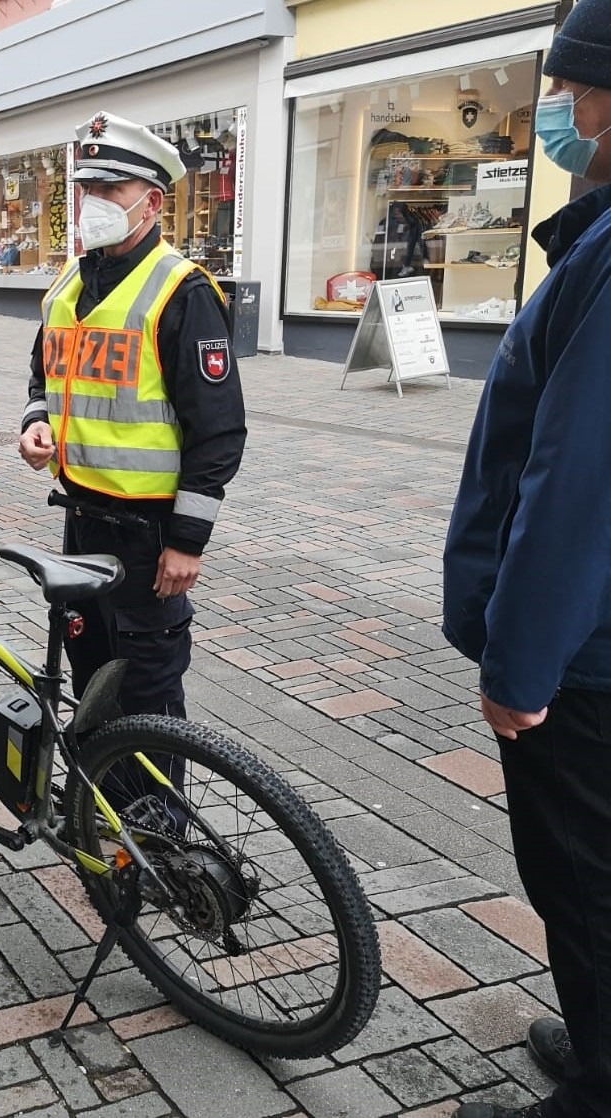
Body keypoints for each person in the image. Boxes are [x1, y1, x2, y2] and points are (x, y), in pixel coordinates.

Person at [442, 4, 611, 1116]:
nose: (560, 108)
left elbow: (579, 487)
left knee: (584, 880)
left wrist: (518, 666)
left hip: (584, 665)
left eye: (575, 88)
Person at [19, 110, 247, 730]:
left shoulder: (182, 291)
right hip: (80, 518)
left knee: (146, 688)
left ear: (150, 204)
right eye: (87, 188)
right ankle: (102, 809)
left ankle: (156, 821)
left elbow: (219, 429)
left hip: (149, 537)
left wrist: (186, 542)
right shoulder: (70, 280)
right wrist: (38, 421)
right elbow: (45, 370)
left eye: (109, 190)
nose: (92, 201)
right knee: (91, 673)